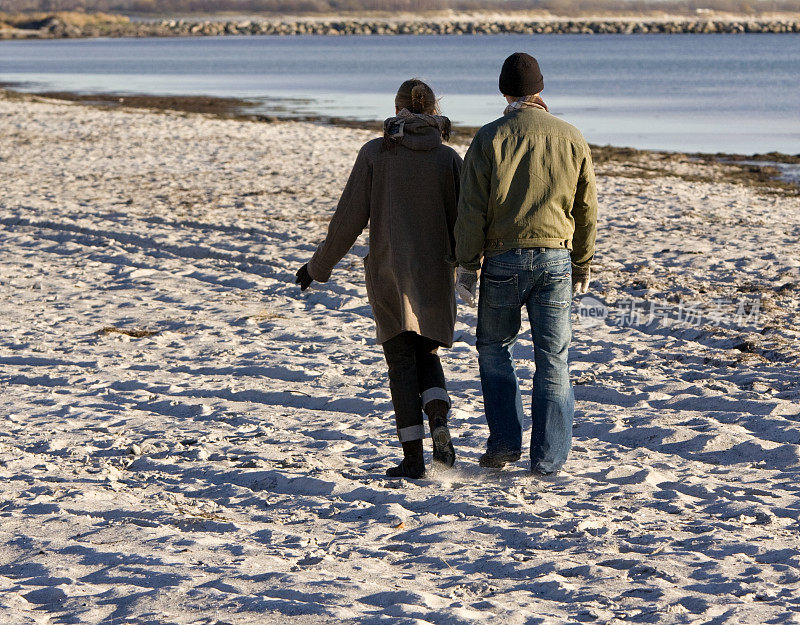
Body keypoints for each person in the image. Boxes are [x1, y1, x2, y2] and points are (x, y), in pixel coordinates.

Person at [295, 79, 463, 479]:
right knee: (428, 354)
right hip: (437, 273)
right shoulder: (449, 159)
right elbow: (465, 223)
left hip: (390, 273)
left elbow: (348, 220)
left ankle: (413, 459)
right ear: (433, 109)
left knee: (401, 362)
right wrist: (471, 268)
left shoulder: (377, 153)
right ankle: (438, 419)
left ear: (397, 107)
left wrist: (317, 267)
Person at [454, 52, 598, 476]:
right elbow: (586, 208)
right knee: (553, 357)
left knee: (495, 350)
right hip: (556, 257)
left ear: (504, 91)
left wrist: (466, 264)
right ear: (540, 89)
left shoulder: (489, 137)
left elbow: (471, 210)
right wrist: (582, 264)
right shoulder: (571, 136)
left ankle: (503, 444)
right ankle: (549, 457)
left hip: (502, 258)